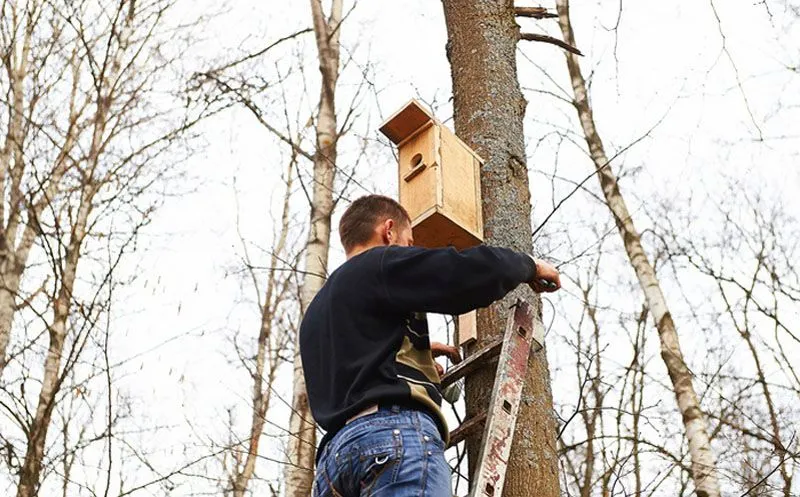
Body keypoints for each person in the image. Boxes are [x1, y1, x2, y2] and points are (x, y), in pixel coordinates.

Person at [300, 194, 561, 497]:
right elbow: (460, 275)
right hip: (391, 437)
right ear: (388, 231)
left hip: (334, 463)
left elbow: (359, 359)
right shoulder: (379, 263)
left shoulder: (317, 312)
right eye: (408, 243)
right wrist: (527, 265)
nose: (408, 251)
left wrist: (415, 355)